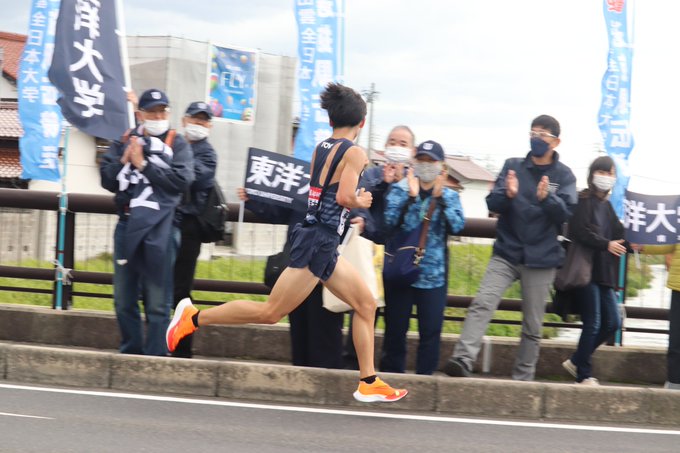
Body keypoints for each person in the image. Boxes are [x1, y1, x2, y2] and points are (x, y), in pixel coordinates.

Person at [167, 82, 407, 402]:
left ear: (331, 119)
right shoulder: (355, 152)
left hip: (319, 241)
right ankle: (193, 318)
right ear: (362, 122)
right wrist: (361, 200)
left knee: (365, 305)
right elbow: (345, 197)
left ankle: (369, 380)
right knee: (270, 313)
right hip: (319, 242)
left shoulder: (322, 147)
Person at [443, 114, 577, 381]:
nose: (536, 138)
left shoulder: (564, 175)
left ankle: (523, 377)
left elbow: (566, 214)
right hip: (507, 251)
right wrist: (508, 194)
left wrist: (547, 199)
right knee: (482, 303)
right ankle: (463, 358)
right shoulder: (512, 166)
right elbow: (492, 203)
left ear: (556, 142)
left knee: (533, 324)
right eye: (533, 133)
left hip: (542, 257)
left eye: (542, 135)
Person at [100, 88, 194, 356]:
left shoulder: (177, 143)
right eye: (152, 112)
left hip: (162, 227)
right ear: (140, 114)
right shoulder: (125, 140)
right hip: (128, 224)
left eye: (162, 111)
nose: (158, 117)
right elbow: (107, 179)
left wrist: (143, 165)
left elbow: (181, 182)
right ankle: (130, 350)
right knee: (123, 298)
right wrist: (124, 161)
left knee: (157, 300)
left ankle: (156, 355)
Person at [380, 140, 465, 375]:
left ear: (441, 166)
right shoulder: (400, 189)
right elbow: (389, 223)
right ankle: (391, 377)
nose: (426, 166)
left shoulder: (450, 195)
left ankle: (425, 380)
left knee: (431, 332)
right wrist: (411, 198)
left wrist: (441, 199)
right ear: (414, 163)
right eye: (422, 160)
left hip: (433, 275)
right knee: (395, 330)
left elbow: (457, 226)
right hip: (401, 272)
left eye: (431, 161)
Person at [237, 188, 345, 369]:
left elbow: (359, 216)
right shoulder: (304, 185)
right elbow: (280, 210)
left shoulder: (345, 184)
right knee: (299, 328)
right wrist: (254, 198)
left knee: (325, 332)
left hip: (327, 268)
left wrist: (361, 216)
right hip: (299, 265)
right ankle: (301, 372)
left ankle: (325, 376)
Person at [343, 125, 416, 369]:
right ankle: (354, 370)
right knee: (362, 315)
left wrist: (403, 186)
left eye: (403, 144)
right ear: (385, 147)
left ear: (412, 151)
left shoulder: (414, 181)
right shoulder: (372, 174)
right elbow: (359, 206)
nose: (396, 147)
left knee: (397, 324)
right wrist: (384, 185)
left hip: (400, 262)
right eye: (392, 142)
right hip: (370, 258)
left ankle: (392, 372)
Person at [559, 156, 628, 385]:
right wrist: (606, 244)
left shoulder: (607, 206)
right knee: (593, 322)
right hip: (585, 270)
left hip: (603, 273)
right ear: (592, 174)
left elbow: (619, 235)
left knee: (613, 322)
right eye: (602, 172)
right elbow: (580, 232)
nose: (606, 177)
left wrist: (634, 243)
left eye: (610, 173)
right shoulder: (582, 200)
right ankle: (584, 374)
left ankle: (577, 359)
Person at [171, 101, 218, 358]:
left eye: (203, 120)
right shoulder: (174, 144)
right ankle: (161, 342)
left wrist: (168, 164)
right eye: (195, 119)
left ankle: (182, 350)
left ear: (209, 125)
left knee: (181, 290)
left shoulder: (208, 154)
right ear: (184, 120)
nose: (198, 124)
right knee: (158, 287)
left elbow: (187, 178)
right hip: (167, 222)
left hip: (189, 227)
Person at [636, 249, 680, 390]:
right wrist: (643, 246)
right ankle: (674, 383)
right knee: (675, 339)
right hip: (678, 287)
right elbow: (666, 244)